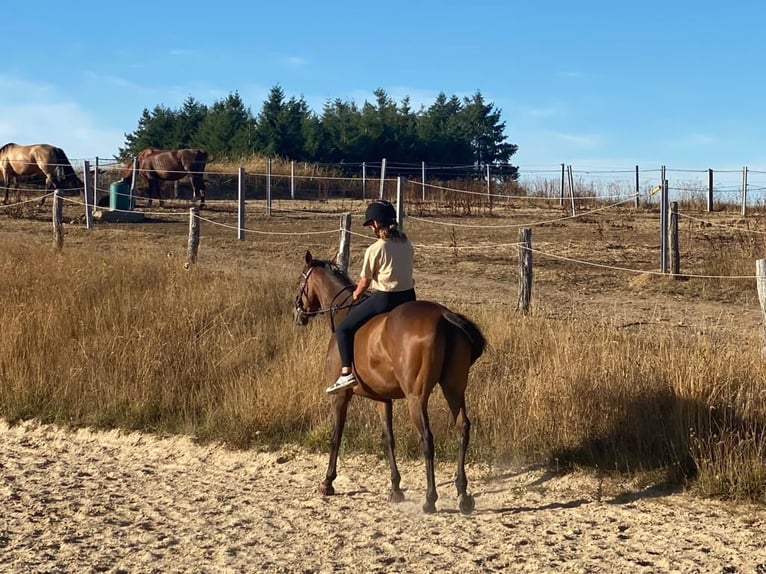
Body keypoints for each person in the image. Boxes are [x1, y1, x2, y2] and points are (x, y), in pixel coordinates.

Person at [326, 199, 416, 394]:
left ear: (376, 223)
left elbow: (364, 282)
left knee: (343, 329)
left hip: (386, 298)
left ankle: (346, 373)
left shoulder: (375, 249)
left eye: (371, 225)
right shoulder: (407, 243)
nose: (371, 229)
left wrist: (356, 294)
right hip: (409, 297)